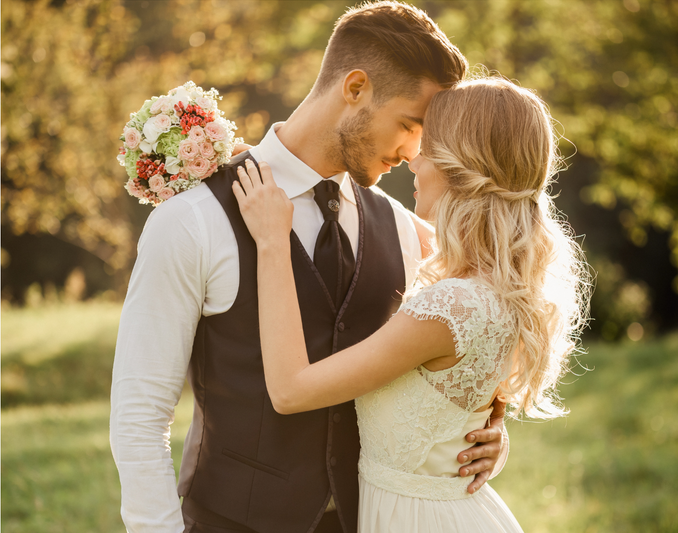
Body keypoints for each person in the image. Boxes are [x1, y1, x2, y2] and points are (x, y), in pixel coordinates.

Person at [109, 3, 509, 533]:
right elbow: (139, 419)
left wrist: (484, 438)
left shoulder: (403, 229)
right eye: (410, 124)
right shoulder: (193, 220)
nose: (414, 152)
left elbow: (447, 358)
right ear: (356, 88)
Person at [232, 77, 589, 532]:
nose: (412, 159)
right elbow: (355, 200)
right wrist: (276, 161)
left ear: (461, 167)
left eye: (428, 146)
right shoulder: (498, 281)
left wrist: (271, 241)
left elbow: (290, 390)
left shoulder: (449, 306)